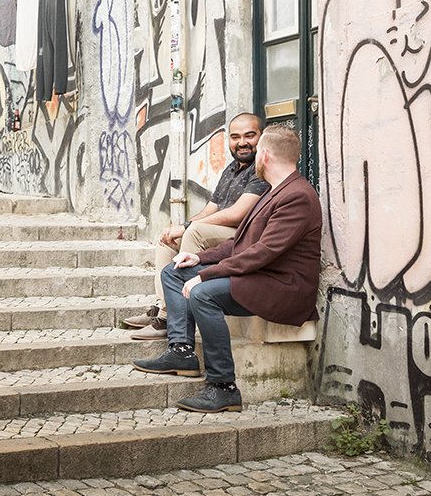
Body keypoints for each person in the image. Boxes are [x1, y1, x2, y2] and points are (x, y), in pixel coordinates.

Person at [133, 123, 321, 414]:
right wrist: (200, 259)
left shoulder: (297, 195)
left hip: (282, 287)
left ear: (265, 156)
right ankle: (181, 351)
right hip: (261, 276)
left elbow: (263, 253)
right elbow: (239, 245)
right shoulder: (274, 191)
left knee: (203, 294)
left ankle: (223, 388)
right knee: (173, 271)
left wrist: (205, 275)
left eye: (257, 151)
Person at [121, 111, 267, 340]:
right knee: (168, 239)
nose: (242, 143)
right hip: (223, 231)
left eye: (250, 136)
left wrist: (188, 226)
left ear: (262, 136)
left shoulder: (261, 168)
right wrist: (179, 227)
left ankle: (174, 319)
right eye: (235, 137)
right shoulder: (231, 169)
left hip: (244, 235)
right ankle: (164, 309)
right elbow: (212, 209)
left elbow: (238, 213)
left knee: (194, 232)